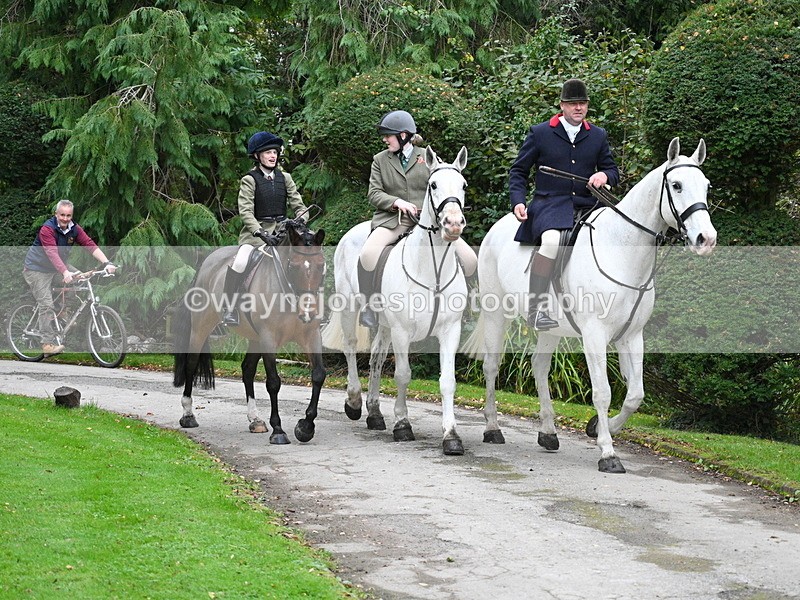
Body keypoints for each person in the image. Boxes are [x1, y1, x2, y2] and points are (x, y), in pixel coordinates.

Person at [508, 78, 619, 331]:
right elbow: (518, 171)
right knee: (550, 242)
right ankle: (536, 310)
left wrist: (604, 176)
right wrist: (518, 201)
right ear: (562, 105)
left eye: (583, 103)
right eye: (572, 104)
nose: (578, 108)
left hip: (589, 205)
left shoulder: (598, 135)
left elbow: (612, 170)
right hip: (550, 204)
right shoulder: (540, 133)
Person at [357, 110, 478, 329]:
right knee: (367, 255)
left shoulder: (427, 157)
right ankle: (369, 307)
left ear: (403, 135)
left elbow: (444, 183)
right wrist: (397, 202)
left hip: (427, 222)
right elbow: (374, 193)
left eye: (388, 135)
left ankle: (464, 306)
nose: (385, 140)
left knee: (470, 260)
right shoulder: (380, 160)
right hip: (393, 220)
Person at [220, 130, 308, 326]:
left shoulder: (285, 178)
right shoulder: (249, 180)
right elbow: (245, 212)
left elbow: (300, 206)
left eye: (275, 152)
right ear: (257, 156)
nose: (272, 156)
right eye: (268, 152)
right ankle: (229, 308)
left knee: (308, 257)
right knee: (240, 262)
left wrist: (300, 220)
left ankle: (310, 305)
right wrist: (261, 232)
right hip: (257, 234)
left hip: (284, 232)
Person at [23, 199, 117, 356]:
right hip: (37, 269)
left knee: (80, 279)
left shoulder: (74, 229)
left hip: (57, 267)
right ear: (56, 214)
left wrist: (107, 262)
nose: (65, 219)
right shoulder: (47, 229)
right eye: (62, 215)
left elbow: (89, 244)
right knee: (46, 304)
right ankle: (47, 343)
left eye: (68, 216)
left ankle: (62, 313)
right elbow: (52, 253)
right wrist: (65, 272)